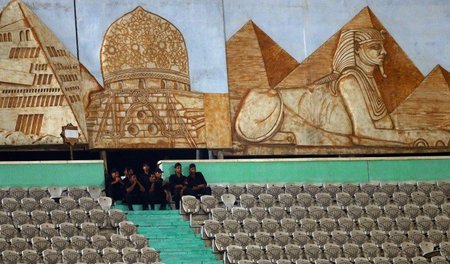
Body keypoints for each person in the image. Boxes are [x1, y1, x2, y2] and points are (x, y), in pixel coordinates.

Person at [235, 27, 450, 147]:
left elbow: (384, 126)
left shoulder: (366, 80)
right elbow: (364, 132)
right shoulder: (349, 81)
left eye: (382, 47)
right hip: (271, 108)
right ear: (356, 51)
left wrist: (426, 133)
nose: (383, 52)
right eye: (375, 47)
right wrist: (422, 135)